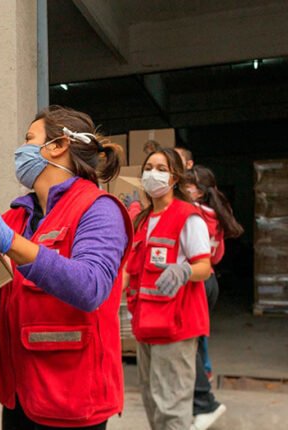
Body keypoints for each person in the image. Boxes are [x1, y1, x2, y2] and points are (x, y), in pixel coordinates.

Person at [0, 106, 132, 429]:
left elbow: (90, 288)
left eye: (30, 139)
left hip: (72, 400)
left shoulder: (98, 209)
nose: (21, 149)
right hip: (19, 395)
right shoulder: (15, 219)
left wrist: (10, 243)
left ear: (58, 145)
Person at [124, 148, 212, 430]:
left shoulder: (188, 217)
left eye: (162, 169)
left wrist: (184, 270)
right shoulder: (142, 220)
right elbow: (130, 270)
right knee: (152, 402)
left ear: (175, 178)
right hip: (145, 324)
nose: (153, 174)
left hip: (176, 326)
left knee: (171, 408)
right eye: (148, 168)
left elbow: (204, 267)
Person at [185, 165, 244, 430]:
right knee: (195, 341)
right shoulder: (214, 215)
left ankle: (205, 403)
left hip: (195, 281)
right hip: (209, 280)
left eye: (186, 184)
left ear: (198, 191)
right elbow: (217, 257)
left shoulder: (192, 214)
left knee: (188, 344)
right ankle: (199, 395)